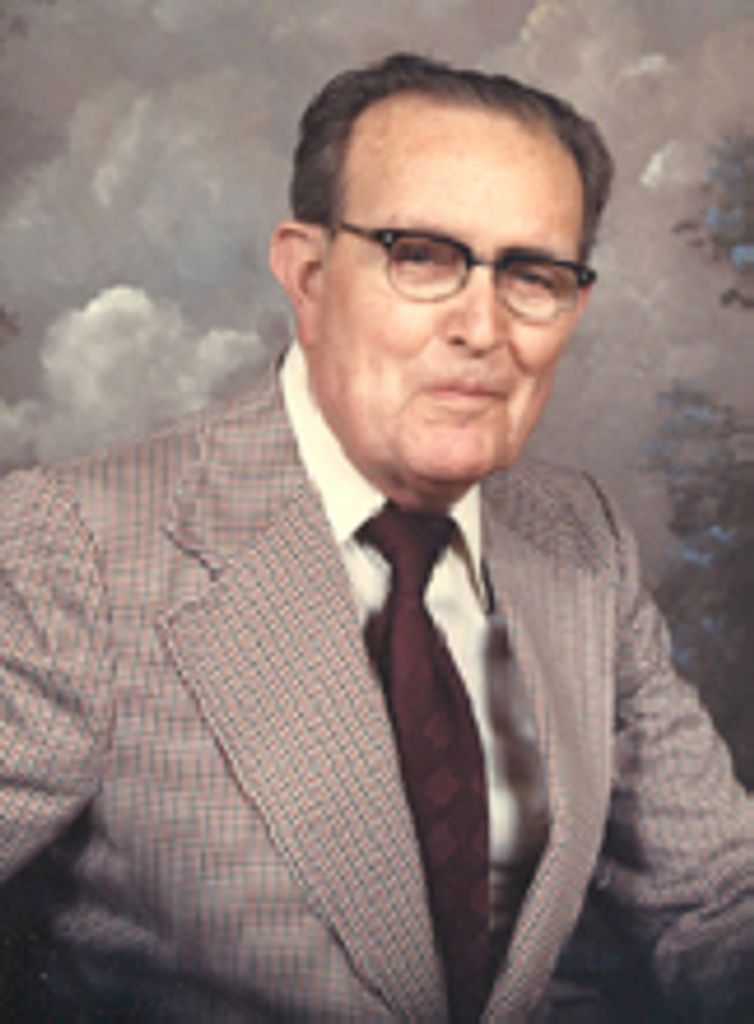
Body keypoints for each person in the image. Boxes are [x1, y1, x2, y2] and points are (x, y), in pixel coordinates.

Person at [0, 52, 751, 1023]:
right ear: (308, 276)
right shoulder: (76, 550)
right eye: (421, 257)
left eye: (532, 274)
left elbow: (715, 898)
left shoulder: (582, 541)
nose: (482, 328)